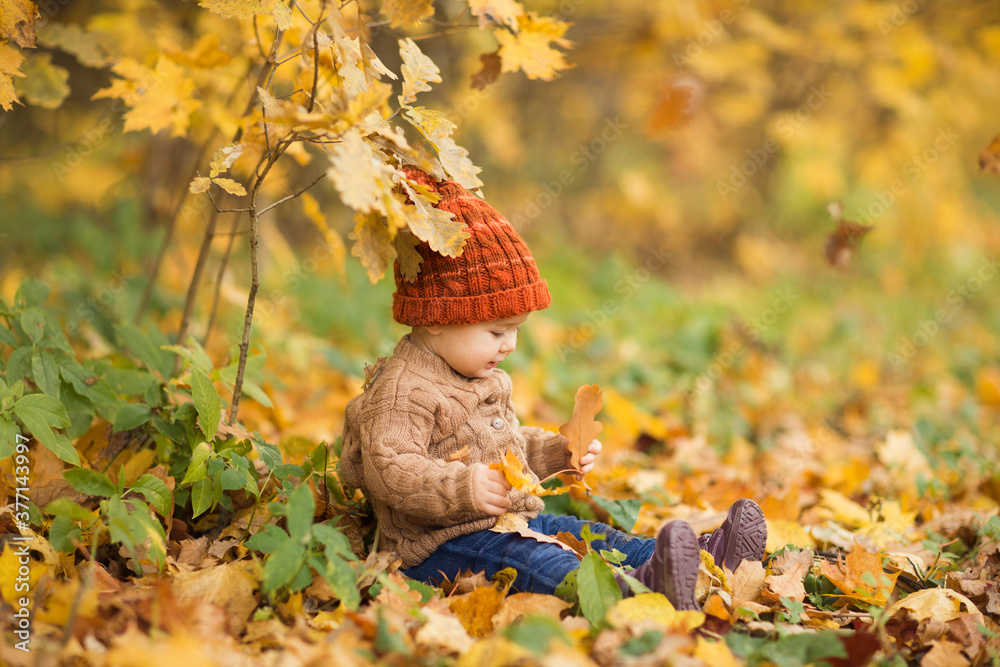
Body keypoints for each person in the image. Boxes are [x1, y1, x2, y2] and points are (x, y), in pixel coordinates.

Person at [340, 167, 767, 610]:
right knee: (536, 560)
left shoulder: (475, 373)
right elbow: (391, 468)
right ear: (434, 317)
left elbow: (505, 447)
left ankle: (698, 562)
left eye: (516, 330)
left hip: (505, 523)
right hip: (435, 549)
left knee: (590, 535)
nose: (510, 345)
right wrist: (464, 487)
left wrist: (555, 453)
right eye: (496, 331)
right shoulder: (402, 390)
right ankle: (622, 594)